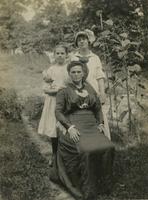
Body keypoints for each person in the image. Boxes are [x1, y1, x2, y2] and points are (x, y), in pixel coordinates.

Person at [50, 60, 115, 200]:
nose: (76, 74)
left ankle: (104, 186)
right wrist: (70, 128)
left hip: (91, 125)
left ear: (84, 73)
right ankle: (88, 188)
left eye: (79, 71)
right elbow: (58, 112)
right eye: (73, 72)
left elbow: (97, 107)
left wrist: (100, 123)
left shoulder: (90, 87)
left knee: (108, 147)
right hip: (74, 124)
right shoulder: (64, 90)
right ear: (69, 74)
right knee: (85, 150)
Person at [71, 29, 111, 140]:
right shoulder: (74, 58)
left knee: (98, 116)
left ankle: (101, 142)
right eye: (79, 40)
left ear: (89, 41)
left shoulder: (95, 58)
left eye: (84, 39)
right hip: (78, 92)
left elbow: (100, 76)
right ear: (76, 43)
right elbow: (70, 75)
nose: (81, 42)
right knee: (82, 116)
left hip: (94, 92)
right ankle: (84, 143)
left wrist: (102, 93)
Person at [38, 44, 69, 165]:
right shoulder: (50, 70)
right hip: (53, 101)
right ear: (54, 55)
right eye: (58, 53)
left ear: (66, 55)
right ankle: (55, 154)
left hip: (66, 102)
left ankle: (66, 155)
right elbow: (45, 88)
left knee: (65, 127)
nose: (60, 55)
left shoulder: (69, 68)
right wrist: (55, 90)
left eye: (62, 53)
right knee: (54, 128)